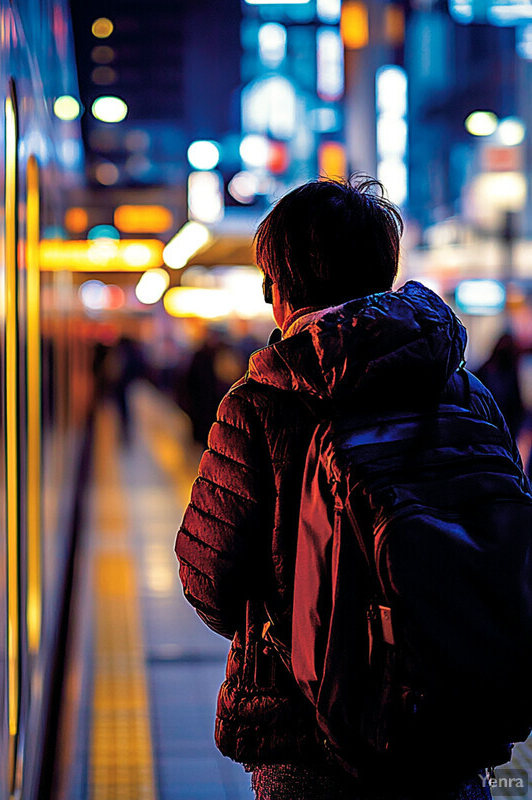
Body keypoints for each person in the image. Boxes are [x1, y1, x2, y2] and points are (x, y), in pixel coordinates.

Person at [174, 177, 520, 800]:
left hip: (312, 738)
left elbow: (210, 579)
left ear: (278, 288)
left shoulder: (261, 404)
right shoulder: (465, 392)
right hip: (451, 725)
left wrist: (310, 624)